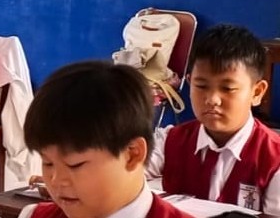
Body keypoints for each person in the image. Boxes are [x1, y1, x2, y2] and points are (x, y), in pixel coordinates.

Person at [21, 60, 192, 218]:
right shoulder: (33, 215)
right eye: (48, 163)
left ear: (132, 154)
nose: (56, 180)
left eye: (75, 165)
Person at [147, 24, 280, 214]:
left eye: (227, 89)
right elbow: (123, 178)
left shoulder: (274, 160)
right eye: (201, 86)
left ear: (257, 92)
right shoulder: (169, 140)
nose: (212, 100)